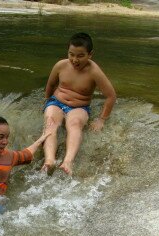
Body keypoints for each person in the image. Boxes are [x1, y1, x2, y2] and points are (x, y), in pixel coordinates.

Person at [41, 32, 117, 175]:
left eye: (80, 55)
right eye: (71, 54)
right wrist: (46, 102)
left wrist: (101, 119)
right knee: (50, 122)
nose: (75, 60)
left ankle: (68, 161)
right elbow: (50, 86)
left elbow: (111, 96)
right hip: (57, 102)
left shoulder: (94, 72)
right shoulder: (60, 65)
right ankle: (49, 160)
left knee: (74, 124)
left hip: (79, 106)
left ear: (90, 54)